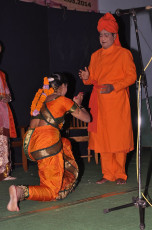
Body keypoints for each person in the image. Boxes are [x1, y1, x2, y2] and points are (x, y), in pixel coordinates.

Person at [7, 73, 91, 212]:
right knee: (53, 192)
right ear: (63, 86)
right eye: (67, 87)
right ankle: (20, 192)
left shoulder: (41, 100)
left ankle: (53, 180)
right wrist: (78, 105)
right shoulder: (63, 100)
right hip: (47, 145)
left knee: (65, 143)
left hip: (31, 144)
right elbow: (87, 118)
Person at [79, 12, 137, 185]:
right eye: (100, 35)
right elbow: (91, 80)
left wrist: (114, 86)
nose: (102, 38)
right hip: (100, 104)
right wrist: (86, 76)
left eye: (106, 35)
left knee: (118, 139)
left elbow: (131, 77)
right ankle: (107, 174)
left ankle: (120, 174)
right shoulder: (95, 56)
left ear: (114, 36)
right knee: (103, 139)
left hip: (118, 102)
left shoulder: (124, 54)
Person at [0, 43, 17, 181]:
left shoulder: (2, 74)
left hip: (3, 112)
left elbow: (8, 94)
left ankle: (4, 173)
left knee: (3, 141)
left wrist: (7, 97)